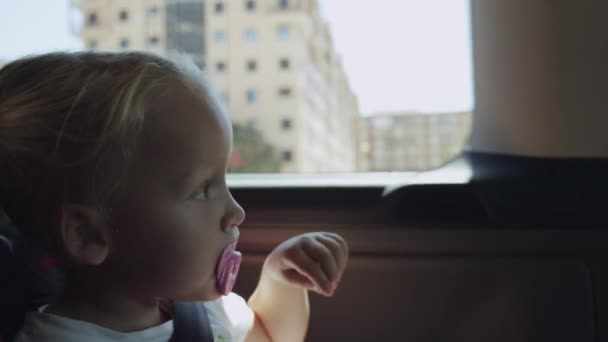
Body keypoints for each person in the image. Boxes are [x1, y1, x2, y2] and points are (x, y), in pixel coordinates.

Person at [0, 52, 349, 342]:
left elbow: (270, 336)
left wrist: (280, 280)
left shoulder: (208, 312)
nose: (236, 212)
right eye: (201, 190)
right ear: (88, 234)